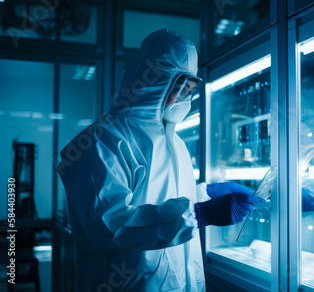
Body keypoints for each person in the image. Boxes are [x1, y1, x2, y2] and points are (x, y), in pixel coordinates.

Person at [57, 29, 264, 292]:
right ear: (153, 80)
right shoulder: (99, 142)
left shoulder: (174, 142)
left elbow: (164, 200)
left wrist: (206, 194)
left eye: (189, 89)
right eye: (178, 88)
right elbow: (110, 226)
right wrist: (200, 214)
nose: (182, 98)